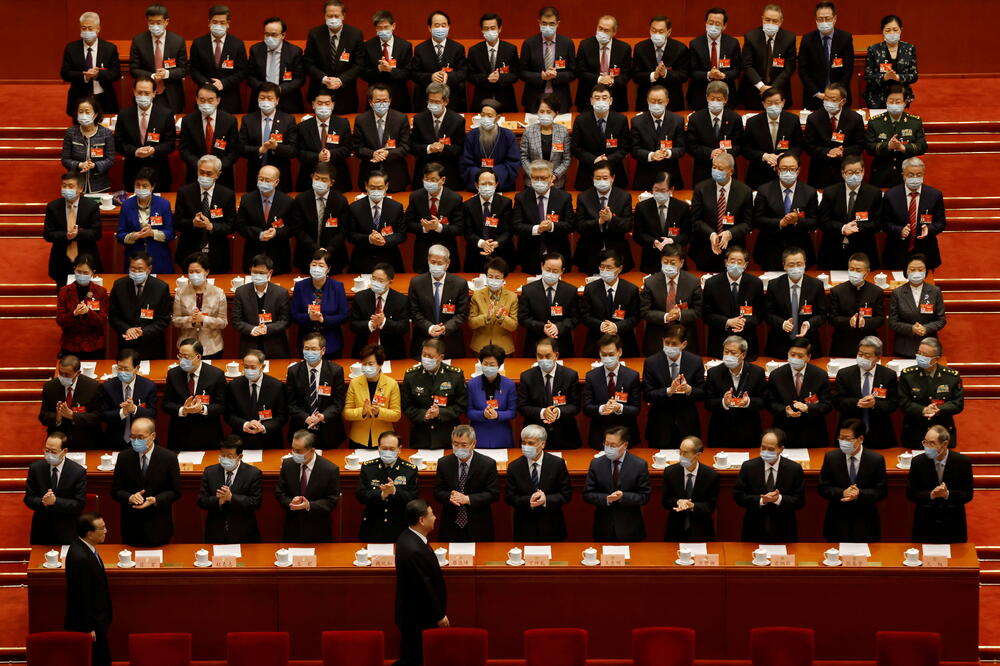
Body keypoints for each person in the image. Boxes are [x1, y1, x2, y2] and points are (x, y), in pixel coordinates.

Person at [111, 418, 181, 547]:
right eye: (132, 436)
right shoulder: (124, 457)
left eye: (140, 437)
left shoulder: (168, 458)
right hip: (131, 526)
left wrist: (155, 500)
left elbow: (176, 491)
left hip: (159, 526)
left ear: (153, 436)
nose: (136, 441)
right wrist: (130, 497)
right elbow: (115, 490)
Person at [395, 499, 449, 666]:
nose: (435, 518)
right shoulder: (414, 549)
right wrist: (439, 614)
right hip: (418, 617)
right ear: (421, 520)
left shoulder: (408, 536)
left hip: (413, 613)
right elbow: (424, 586)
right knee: (417, 658)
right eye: (432, 515)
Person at [818, 418, 888, 542]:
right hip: (837, 522)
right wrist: (842, 493)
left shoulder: (876, 460)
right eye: (841, 438)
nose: (843, 442)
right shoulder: (831, 458)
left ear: (860, 439)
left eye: (848, 439)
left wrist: (859, 494)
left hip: (865, 522)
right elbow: (823, 488)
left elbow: (881, 491)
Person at [733, 428, 805, 541]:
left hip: (784, 530)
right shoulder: (748, 467)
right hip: (753, 529)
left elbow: (800, 501)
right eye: (763, 447)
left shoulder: (794, 469)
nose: (765, 452)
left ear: (781, 449)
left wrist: (778, 499)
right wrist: (762, 500)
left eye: (770, 449)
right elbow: (738, 496)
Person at [643, 324, 706, 449]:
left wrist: (689, 390)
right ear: (662, 341)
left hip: (687, 424)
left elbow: (703, 393)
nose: (670, 347)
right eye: (667, 342)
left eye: (674, 343)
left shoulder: (695, 361)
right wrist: (668, 391)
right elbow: (647, 395)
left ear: (684, 344)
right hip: (660, 424)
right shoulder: (651, 362)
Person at [907, 425, 973, 544]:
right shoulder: (918, 462)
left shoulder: (962, 462)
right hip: (925, 523)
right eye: (925, 442)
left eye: (932, 443)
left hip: (953, 523)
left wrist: (947, 494)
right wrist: (931, 495)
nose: (927, 447)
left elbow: (967, 494)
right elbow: (911, 494)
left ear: (945, 444)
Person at [752, 153, 819, 270]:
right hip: (770, 249)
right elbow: (757, 220)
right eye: (784, 169)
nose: (788, 172)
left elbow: (814, 222)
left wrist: (798, 220)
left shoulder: (809, 192)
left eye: (792, 169)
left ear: (798, 170)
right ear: (777, 169)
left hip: (800, 248)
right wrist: (780, 223)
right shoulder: (764, 190)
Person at [583, 425, 651, 541]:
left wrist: (623, 497)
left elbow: (645, 496)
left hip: (630, 527)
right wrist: (607, 499)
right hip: (603, 527)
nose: (609, 448)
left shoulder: (639, 465)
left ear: (624, 445)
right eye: (606, 444)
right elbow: (587, 494)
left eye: (613, 445)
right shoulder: (596, 464)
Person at [505, 424, 572, 541]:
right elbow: (509, 497)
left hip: (552, 526)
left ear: (543, 444)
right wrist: (528, 500)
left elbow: (566, 495)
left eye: (530, 443)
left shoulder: (558, 464)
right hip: (524, 528)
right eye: (523, 442)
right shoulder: (514, 467)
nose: (526, 446)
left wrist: (546, 499)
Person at [688, 152, 753, 272]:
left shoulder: (744, 191)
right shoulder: (701, 188)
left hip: (733, 252)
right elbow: (695, 220)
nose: (716, 171)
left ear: (731, 171)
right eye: (714, 167)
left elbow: (748, 224)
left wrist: (730, 233)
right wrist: (711, 234)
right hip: (705, 248)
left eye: (720, 169)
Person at [434, 425, 500, 541]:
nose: (459, 448)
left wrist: (467, 499)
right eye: (455, 444)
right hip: (450, 524)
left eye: (464, 445)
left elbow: (493, 494)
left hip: (478, 524)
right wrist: (450, 497)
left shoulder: (487, 464)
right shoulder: (444, 463)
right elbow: (437, 491)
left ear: (473, 444)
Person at [817, 155, 883, 270]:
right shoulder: (830, 192)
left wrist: (857, 227)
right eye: (850, 172)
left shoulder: (874, 193)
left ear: (863, 172)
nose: (854, 176)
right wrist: (843, 228)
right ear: (843, 173)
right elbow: (823, 222)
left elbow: (878, 223)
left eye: (857, 172)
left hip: (863, 249)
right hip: (833, 251)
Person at [275, 430, 341, 542]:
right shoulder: (288, 464)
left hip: (318, 529)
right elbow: (279, 492)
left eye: (298, 451)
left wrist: (309, 505)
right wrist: (290, 502)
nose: (294, 454)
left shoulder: (329, 470)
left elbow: (332, 501)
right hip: (292, 529)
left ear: (312, 451)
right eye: (293, 449)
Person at [173, 155, 236, 273]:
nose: (204, 176)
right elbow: (177, 222)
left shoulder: (227, 195)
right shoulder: (185, 192)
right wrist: (193, 223)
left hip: (217, 254)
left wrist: (211, 226)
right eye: (201, 172)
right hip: (189, 252)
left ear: (217, 174)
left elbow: (231, 226)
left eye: (209, 173)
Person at [833, 336, 899, 449]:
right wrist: (857, 402)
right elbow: (837, 402)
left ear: (878, 357)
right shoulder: (844, 374)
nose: (862, 357)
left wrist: (875, 404)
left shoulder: (888, 375)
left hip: (879, 433)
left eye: (867, 355)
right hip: (850, 434)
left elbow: (893, 404)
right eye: (860, 354)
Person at [880, 157, 946, 270]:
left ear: (923, 174)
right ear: (903, 175)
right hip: (897, 252)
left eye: (919, 175)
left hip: (926, 252)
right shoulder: (891, 195)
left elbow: (941, 222)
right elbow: (884, 223)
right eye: (910, 175)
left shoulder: (935, 195)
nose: (915, 178)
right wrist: (899, 230)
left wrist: (929, 230)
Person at [162, 338, 227, 451]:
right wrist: (183, 410)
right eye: (180, 356)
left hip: (207, 434)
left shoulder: (216, 375)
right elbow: (166, 404)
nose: (182, 360)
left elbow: (222, 406)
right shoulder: (173, 374)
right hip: (179, 436)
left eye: (186, 357)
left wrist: (202, 409)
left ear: (198, 357)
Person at [64, 512, 112, 666]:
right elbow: (80, 596)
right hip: (90, 625)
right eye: (102, 528)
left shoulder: (81, 546)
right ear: (90, 534)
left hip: (97, 619)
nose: (106, 531)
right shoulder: (81, 558)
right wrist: (88, 628)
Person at [402, 339, 468, 450]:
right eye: (424, 355)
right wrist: (424, 414)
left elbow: (461, 405)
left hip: (447, 436)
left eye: (430, 356)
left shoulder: (455, 375)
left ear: (441, 357)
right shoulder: (411, 376)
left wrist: (440, 413)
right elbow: (406, 406)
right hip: (421, 436)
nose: (426, 359)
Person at [197, 434, 263, 543]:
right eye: (223, 455)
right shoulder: (210, 472)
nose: (225, 459)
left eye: (230, 456)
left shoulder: (253, 473)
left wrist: (232, 497)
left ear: (240, 456)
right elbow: (201, 501)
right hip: (215, 534)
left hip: (244, 534)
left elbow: (256, 503)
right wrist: (218, 500)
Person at [899, 338, 964, 448]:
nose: (920, 357)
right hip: (915, 432)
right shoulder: (908, 375)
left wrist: (940, 409)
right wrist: (922, 410)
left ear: (936, 359)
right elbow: (903, 402)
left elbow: (958, 403)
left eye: (924, 355)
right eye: (919, 353)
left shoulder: (951, 376)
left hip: (942, 432)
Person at [517, 337, 582, 449]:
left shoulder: (570, 375)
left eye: (547, 356)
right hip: (534, 438)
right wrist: (543, 412)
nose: (543, 360)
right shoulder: (527, 377)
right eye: (540, 356)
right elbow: (522, 406)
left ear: (556, 355)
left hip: (565, 436)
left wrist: (558, 411)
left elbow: (575, 406)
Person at [767, 337, 832, 447]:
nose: (795, 358)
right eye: (792, 355)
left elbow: (827, 405)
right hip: (784, 431)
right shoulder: (776, 375)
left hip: (812, 433)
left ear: (808, 357)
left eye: (800, 356)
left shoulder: (820, 375)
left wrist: (808, 408)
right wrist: (785, 411)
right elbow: (770, 403)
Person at [286, 331, 346, 449]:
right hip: (302, 429)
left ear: (322, 351)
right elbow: (290, 403)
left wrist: (323, 416)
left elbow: (338, 403)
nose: (309, 352)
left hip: (328, 430)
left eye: (313, 349)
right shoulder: (293, 371)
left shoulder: (335, 371)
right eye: (306, 348)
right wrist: (306, 418)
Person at [115, 76, 176, 192]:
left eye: (147, 93)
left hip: (158, 172)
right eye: (139, 92)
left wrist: (154, 150)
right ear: (134, 92)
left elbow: (170, 144)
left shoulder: (166, 114)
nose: (143, 96)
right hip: (133, 172)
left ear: (154, 93)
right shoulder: (124, 115)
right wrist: (135, 151)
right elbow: (119, 143)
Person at [24, 432, 87, 545]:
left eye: (53, 452)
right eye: (46, 450)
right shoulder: (36, 468)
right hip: (41, 529)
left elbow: (79, 504)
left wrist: (55, 501)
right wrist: (42, 501)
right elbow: (28, 498)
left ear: (64, 451)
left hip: (67, 530)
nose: (49, 454)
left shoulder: (78, 472)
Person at [705, 336, 767, 448]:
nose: (728, 356)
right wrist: (723, 402)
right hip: (721, 431)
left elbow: (764, 401)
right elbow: (708, 403)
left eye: (733, 352)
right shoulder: (714, 373)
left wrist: (748, 401)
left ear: (743, 355)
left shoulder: (757, 373)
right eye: (726, 351)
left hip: (749, 430)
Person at [640, 245, 703, 355]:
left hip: (685, 338)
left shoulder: (693, 282)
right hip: (657, 338)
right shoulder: (650, 282)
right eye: (665, 262)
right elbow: (644, 311)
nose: (668, 266)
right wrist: (666, 317)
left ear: (681, 263)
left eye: (673, 263)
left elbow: (699, 310)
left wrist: (679, 314)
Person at [765, 247, 827, 358]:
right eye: (791, 265)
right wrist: (782, 323)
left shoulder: (816, 285)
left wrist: (809, 324)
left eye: (799, 264)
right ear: (784, 265)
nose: (796, 268)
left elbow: (823, 314)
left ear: (805, 264)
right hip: (780, 343)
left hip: (808, 342)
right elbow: (767, 314)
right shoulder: (774, 285)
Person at [357, 431, 419, 542]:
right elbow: (361, 496)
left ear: (399, 449)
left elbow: (413, 499)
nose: (388, 452)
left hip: (400, 527)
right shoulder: (368, 467)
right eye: (384, 448)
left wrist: (395, 491)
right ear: (378, 448)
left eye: (392, 449)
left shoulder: (409, 470)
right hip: (373, 525)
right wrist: (381, 494)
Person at [512, 161, 575, 269]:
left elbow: (571, 225)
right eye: (535, 178)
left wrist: (552, 226)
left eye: (543, 178)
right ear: (530, 179)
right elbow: (516, 226)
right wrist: (537, 229)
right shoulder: (521, 198)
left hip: (558, 257)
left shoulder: (564, 197)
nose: (539, 181)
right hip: (529, 257)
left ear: (551, 178)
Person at [408, 245, 469, 358]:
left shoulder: (459, 284)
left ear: (447, 264)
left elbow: (462, 314)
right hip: (423, 340)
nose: (435, 266)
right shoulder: (416, 283)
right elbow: (413, 311)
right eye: (433, 262)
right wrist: (430, 327)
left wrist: (445, 328)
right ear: (428, 261)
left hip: (451, 342)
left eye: (440, 263)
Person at [303, 0, 364, 113]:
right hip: (319, 93)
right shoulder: (315, 34)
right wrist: (324, 79)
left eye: (336, 16)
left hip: (345, 95)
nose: (333, 19)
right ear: (324, 16)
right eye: (330, 16)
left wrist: (341, 80)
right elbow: (307, 63)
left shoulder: (355, 34)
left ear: (343, 16)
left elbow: (359, 64)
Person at [108, 252, 172, 359]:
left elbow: (164, 319)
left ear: (149, 269)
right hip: (126, 343)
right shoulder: (119, 285)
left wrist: (143, 332)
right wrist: (127, 329)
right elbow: (113, 316)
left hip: (152, 344)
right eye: (133, 269)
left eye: (140, 269)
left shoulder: (161, 288)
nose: (136, 272)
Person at [703, 247, 764, 360]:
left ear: (745, 265)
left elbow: (759, 315)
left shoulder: (755, 284)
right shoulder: (712, 283)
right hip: (719, 343)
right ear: (726, 263)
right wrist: (727, 322)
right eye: (732, 261)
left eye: (739, 262)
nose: (735, 264)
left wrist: (744, 322)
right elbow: (706, 315)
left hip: (746, 343)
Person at [574, 163, 634, 274]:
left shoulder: (624, 196)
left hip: (617, 253)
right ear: (592, 178)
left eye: (605, 178)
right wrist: (599, 222)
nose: (602, 181)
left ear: (613, 178)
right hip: (589, 254)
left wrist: (611, 219)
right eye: (598, 178)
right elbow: (579, 226)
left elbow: (628, 225)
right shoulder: (583, 197)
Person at [582, 335, 641, 450]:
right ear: (599, 353)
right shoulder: (591, 377)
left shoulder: (632, 376)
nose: (607, 358)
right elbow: (586, 408)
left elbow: (636, 409)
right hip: (599, 435)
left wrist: (619, 407)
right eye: (604, 354)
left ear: (619, 352)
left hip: (625, 434)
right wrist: (602, 408)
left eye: (611, 354)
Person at [406, 163, 466, 272]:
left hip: (446, 250)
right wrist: (425, 228)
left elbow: (459, 228)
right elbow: (408, 224)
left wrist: (439, 227)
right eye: (426, 179)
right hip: (423, 253)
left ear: (442, 180)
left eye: (433, 180)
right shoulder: (415, 197)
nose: (429, 183)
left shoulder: (454, 198)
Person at [46, 173, 103, 288]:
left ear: (80, 188)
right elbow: (47, 234)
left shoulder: (91, 206)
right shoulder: (53, 207)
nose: (66, 189)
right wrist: (66, 236)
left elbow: (97, 233)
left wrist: (78, 234)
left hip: (86, 259)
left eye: (71, 186)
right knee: (63, 296)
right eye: (64, 186)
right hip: (61, 259)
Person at [239, 83, 299, 192]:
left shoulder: (288, 120)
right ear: (257, 99)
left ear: (277, 100)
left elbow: (293, 150)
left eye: (269, 98)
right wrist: (260, 150)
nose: (265, 101)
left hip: (280, 176)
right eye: (262, 98)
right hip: (256, 174)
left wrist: (276, 147)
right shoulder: (248, 120)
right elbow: (241, 148)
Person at [237, 165, 297, 274]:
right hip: (253, 255)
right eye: (261, 179)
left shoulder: (287, 202)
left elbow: (292, 228)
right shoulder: (247, 200)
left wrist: (276, 233)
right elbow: (240, 226)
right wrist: (259, 234)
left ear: (276, 182)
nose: (263, 182)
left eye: (267, 180)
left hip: (278, 257)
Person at [803, 83, 865, 188]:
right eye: (826, 98)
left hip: (846, 171)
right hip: (820, 171)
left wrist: (842, 152)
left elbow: (860, 145)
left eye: (833, 99)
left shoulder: (855, 119)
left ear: (843, 101)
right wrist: (828, 152)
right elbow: (808, 146)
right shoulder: (813, 118)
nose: (828, 102)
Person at [189, 5, 247, 115]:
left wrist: (224, 83)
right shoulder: (198, 43)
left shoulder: (237, 44)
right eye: (215, 22)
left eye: (222, 22)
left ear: (228, 23)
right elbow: (194, 70)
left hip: (230, 99)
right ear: (209, 22)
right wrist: (206, 84)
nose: (218, 25)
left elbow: (243, 72)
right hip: (205, 98)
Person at [518, 253, 579, 358]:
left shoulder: (570, 291)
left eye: (555, 271)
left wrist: (558, 327)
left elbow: (575, 318)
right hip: (535, 344)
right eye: (548, 269)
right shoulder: (528, 290)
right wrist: (542, 327)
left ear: (562, 271)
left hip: (562, 345)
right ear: (542, 266)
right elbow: (523, 318)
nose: (551, 273)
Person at [179, 86, 240, 191]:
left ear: (218, 100)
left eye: (210, 100)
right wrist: (200, 166)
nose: (206, 103)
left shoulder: (230, 121)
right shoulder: (187, 121)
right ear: (197, 100)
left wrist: (218, 167)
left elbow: (234, 150)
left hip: (222, 176)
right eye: (202, 100)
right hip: (196, 175)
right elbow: (184, 149)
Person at [61, 11, 121, 118]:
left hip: (104, 99)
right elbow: (65, 73)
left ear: (98, 29)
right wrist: (84, 76)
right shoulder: (71, 48)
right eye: (83, 28)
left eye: (90, 28)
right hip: (79, 98)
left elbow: (116, 74)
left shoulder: (109, 48)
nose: (86, 31)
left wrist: (98, 75)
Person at [580, 251, 640, 357]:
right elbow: (585, 316)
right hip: (596, 342)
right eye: (602, 267)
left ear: (620, 269)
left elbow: (635, 317)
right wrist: (601, 325)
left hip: (624, 342)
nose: (604, 271)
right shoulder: (590, 289)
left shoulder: (631, 290)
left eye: (609, 267)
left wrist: (616, 327)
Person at [689, 81, 748, 187]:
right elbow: (691, 146)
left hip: (727, 170)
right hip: (703, 170)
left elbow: (740, 145)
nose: (715, 101)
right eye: (712, 98)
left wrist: (725, 152)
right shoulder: (695, 119)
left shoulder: (734, 118)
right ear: (707, 98)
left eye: (719, 99)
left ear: (725, 99)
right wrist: (711, 152)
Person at [865, 85, 926, 188]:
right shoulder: (875, 122)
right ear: (886, 101)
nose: (894, 104)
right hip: (881, 172)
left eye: (898, 102)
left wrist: (903, 148)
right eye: (891, 101)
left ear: (905, 103)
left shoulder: (914, 122)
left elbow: (922, 146)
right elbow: (869, 147)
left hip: (906, 173)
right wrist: (887, 146)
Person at [129, 4, 186, 113]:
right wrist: (151, 76)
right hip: (145, 95)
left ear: (166, 22)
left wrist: (167, 74)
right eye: (151, 22)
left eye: (158, 22)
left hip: (171, 95)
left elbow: (183, 70)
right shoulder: (138, 41)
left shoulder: (178, 41)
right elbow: (134, 70)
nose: (155, 25)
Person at [290, 249, 349, 356]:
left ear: (328, 269)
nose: (317, 268)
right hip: (306, 342)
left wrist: (323, 319)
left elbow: (344, 316)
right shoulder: (300, 286)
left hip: (331, 342)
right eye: (314, 264)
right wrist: (309, 317)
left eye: (321, 265)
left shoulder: (337, 287)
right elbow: (294, 314)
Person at [353, 84, 411, 191]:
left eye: (385, 101)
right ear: (370, 102)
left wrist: (388, 153)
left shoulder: (400, 119)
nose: (382, 104)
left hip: (395, 176)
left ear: (390, 101)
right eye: (378, 101)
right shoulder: (361, 120)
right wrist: (373, 154)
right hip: (369, 175)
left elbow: (405, 147)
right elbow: (357, 148)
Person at [231, 254, 292, 358]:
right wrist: (253, 329)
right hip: (249, 346)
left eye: (261, 273)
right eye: (255, 272)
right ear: (250, 270)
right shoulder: (241, 292)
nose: (258, 275)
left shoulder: (281, 293)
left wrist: (267, 329)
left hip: (275, 347)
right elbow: (236, 321)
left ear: (270, 273)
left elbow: (285, 321)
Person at [570, 85, 630, 189]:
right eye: (597, 98)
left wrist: (608, 159)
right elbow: (575, 148)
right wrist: (594, 159)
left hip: (614, 172)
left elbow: (625, 147)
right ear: (591, 101)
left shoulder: (621, 120)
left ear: (610, 100)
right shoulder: (581, 120)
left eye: (604, 98)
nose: (601, 101)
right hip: (587, 173)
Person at [226, 350, 288, 449]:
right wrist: (245, 424)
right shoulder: (234, 385)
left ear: (262, 367)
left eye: (253, 367)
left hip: (269, 441)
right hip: (241, 441)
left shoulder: (276, 386)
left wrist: (263, 427)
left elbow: (282, 416)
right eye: (246, 367)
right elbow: (229, 414)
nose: (249, 370)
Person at [294, 163, 350, 274]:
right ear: (312, 177)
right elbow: (297, 230)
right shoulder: (301, 199)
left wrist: (328, 250)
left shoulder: (340, 201)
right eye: (316, 178)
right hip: (307, 255)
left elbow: (343, 231)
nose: (319, 182)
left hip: (334, 256)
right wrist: (316, 250)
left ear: (331, 182)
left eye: (324, 180)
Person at [116, 168, 175, 274]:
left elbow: (170, 233)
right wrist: (135, 235)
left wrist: (152, 233)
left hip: (159, 259)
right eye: (137, 185)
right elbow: (120, 235)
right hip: (134, 260)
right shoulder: (126, 205)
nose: (140, 188)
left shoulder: (164, 204)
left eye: (145, 186)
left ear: (152, 186)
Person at [38, 356, 104, 450]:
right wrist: (57, 418)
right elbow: (43, 416)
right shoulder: (50, 387)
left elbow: (97, 417)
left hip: (86, 441)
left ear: (78, 373)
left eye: (67, 374)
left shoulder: (92, 387)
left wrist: (73, 416)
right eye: (60, 373)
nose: (63, 377)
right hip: (58, 443)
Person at [798, 2, 854, 111]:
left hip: (839, 98)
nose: (824, 22)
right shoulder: (807, 39)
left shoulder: (845, 38)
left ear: (834, 18)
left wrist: (837, 94)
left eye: (827, 18)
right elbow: (803, 70)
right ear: (816, 20)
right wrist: (817, 93)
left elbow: (848, 70)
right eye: (820, 19)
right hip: (815, 98)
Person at [519, 6, 576, 113]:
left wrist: (557, 76)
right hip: (534, 99)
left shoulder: (567, 43)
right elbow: (522, 72)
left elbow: (573, 73)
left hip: (560, 98)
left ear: (558, 23)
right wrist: (540, 76)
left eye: (552, 24)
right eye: (544, 23)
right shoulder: (529, 44)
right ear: (539, 22)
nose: (548, 27)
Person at [344, 344, 402, 448]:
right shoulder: (355, 383)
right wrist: (362, 411)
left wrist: (379, 412)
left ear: (380, 364)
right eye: (364, 364)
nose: (367, 367)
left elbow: (396, 414)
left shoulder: (391, 384)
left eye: (370, 364)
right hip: (358, 438)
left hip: (384, 440)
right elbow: (346, 413)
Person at [347, 171, 407, 272]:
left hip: (389, 260)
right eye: (372, 187)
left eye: (380, 188)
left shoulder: (396, 207)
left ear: (386, 186)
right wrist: (369, 239)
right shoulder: (355, 207)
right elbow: (350, 235)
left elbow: (401, 235)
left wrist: (385, 240)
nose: (376, 191)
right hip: (362, 260)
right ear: (366, 186)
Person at [743, 87, 802, 189]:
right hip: (759, 173)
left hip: (786, 173)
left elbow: (798, 146)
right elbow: (745, 149)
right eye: (769, 103)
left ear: (783, 102)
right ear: (763, 103)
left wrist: (784, 157)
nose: (773, 106)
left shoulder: (793, 120)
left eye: (777, 102)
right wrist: (764, 156)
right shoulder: (752, 122)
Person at [664, 436, 720, 541]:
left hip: (701, 530)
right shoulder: (670, 472)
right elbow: (665, 501)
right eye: (680, 452)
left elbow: (711, 505)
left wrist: (693, 506)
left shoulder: (711, 475)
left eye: (685, 453)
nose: (681, 456)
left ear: (697, 455)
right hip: (675, 530)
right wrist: (678, 501)